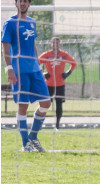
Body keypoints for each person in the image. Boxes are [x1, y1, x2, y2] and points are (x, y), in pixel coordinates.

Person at [1, 0, 50, 152]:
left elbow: (33, 45)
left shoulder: (31, 22)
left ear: (29, 4)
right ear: (16, 3)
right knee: (23, 105)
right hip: (19, 71)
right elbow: (5, 47)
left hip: (34, 69)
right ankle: (25, 144)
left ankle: (33, 137)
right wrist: (9, 68)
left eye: (25, 1)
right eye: (19, 1)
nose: (22, 3)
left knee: (46, 103)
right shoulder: (10, 23)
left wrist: (39, 66)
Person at [39, 36, 76, 130]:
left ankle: (57, 125)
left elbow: (74, 63)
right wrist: (42, 74)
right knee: (45, 105)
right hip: (48, 85)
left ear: (59, 44)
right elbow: (36, 63)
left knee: (59, 105)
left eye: (57, 43)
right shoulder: (47, 55)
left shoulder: (63, 55)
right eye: (53, 43)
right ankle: (39, 124)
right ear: (51, 44)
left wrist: (68, 73)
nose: (55, 44)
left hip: (60, 84)